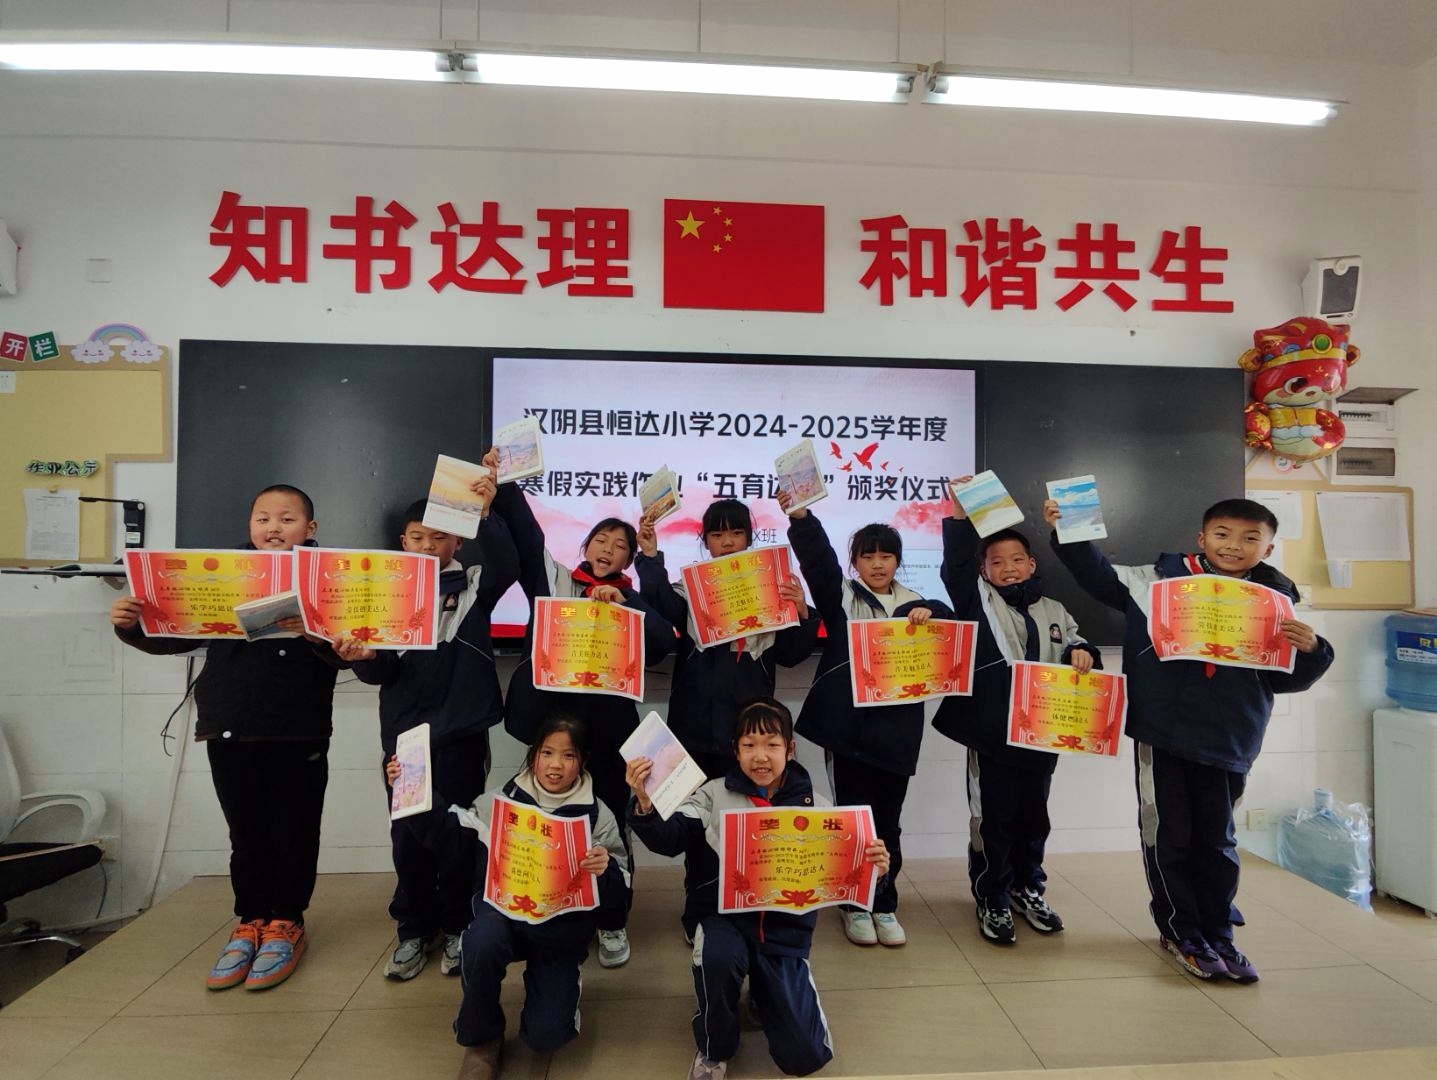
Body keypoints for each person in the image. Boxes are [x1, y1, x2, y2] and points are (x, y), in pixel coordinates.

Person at [1048, 496, 1333, 982]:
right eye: (1222, 534)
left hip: (1231, 737)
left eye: (1249, 538)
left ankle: (1219, 933)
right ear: (1202, 538)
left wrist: (1313, 650)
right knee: (1169, 835)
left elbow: (1283, 679)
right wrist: (1067, 528)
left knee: (1218, 841)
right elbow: (1095, 574)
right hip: (1163, 733)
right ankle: (1182, 932)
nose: (1234, 545)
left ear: (1267, 548)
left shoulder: (1275, 599)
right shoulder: (1154, 581)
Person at [109, 484, 346, 991]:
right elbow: (176, 635)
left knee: (295, 831)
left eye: (287, 519)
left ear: (310, 529)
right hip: (229, 727)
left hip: (298, 729)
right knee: (246, 833)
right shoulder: (218, 576)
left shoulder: (329, 580)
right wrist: (131, 627)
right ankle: (250, 920)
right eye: (263, 518)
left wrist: (315, 631)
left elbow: (349, 653)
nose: (273, 528)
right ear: (250, 525)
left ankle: (287, 921)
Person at [626, 698, 889, 1080]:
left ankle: (766, 996)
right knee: (717, 958)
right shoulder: (712, 794)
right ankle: (715, 1047)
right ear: (735, 751)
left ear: (790, 749)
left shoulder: (819, 809)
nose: (760, 756)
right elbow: (670, 839)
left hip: (784, 932)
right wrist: (645, 804)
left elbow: (844, 877)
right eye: (749, 745)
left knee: (805, 1056)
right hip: (723, 919)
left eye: (771, 744)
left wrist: (874, 869)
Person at [335, 462, 518, 982]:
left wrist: (487, 513)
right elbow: (383, 673)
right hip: (406, 740)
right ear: (403, 541)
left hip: (461, 735)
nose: (428, 546)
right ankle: (414, 929)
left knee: (459, 833)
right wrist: (362, 658)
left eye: (439, 538)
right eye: (418, 538)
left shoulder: (476, 584)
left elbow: (507, 564)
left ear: (457, 542)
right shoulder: (383, 594)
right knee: (408, 839)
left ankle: (459, 924)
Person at [492, 476, 676, 969]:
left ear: (628, 560)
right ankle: (551, 899)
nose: (608, 549)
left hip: (610, 731)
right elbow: (528, 538)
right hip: (553, 727)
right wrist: (506, 487)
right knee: (546, 817)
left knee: (612, 822)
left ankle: (613, 920)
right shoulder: (555, 581)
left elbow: (663, 642)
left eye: (620, 546)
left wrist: (629, 604)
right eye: (601, 540)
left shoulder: (630, 599)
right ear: (586, 546)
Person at [931, 478, 1101, 946]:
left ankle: (1029, 889)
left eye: (1016, 560)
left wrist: (1084, 654)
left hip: (1042, 735)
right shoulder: (976, 601)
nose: (1007, 568)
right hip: (990, 735)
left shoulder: (1055, 609)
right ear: (983, 570)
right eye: (996, 562)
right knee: (993, 820)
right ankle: (993, 896)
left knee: (1033, 819)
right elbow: (956, 566)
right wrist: (960, 518)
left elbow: (1078, 644)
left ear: (1031, 564)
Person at [779, 493, 954, 947]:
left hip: (898, 735)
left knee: (889, 823)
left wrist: (933, 613)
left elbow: (950, 625)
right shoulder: (842, 596)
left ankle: (884, 902)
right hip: (848, 733)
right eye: (867, 556)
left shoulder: (916, 602)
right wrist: (801, 517)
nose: (877, 564)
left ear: (898, 561)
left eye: (886, 556)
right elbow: (818, 562)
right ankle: (855, 904)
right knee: (854, 820)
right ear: (855, 562)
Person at [451, 715, 629, 1080]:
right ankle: (482, 1039)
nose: (555, 765)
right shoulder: (498, 802)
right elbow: (448, 838)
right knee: (481, 941)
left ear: (583, 761)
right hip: (503, 919)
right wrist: (412, 798)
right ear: (533, 755)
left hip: (559, 933)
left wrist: (605, 871)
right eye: (547, 753)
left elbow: (619, 897)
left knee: (546, 1036)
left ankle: (562, 994)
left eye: (568, 755)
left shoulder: (599, 815)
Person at [635, 498, 819, 779]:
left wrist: (803, 612)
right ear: (706, 541)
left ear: (749, 537)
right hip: (692, 726)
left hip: (748, 732)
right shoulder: (691, 588)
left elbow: (790, 654)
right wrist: (650, 557)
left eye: (736, 533)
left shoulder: (771, 586)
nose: (728, 542)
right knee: (692, 803)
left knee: (742, 802)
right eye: (717, 534)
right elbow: (661, 605)